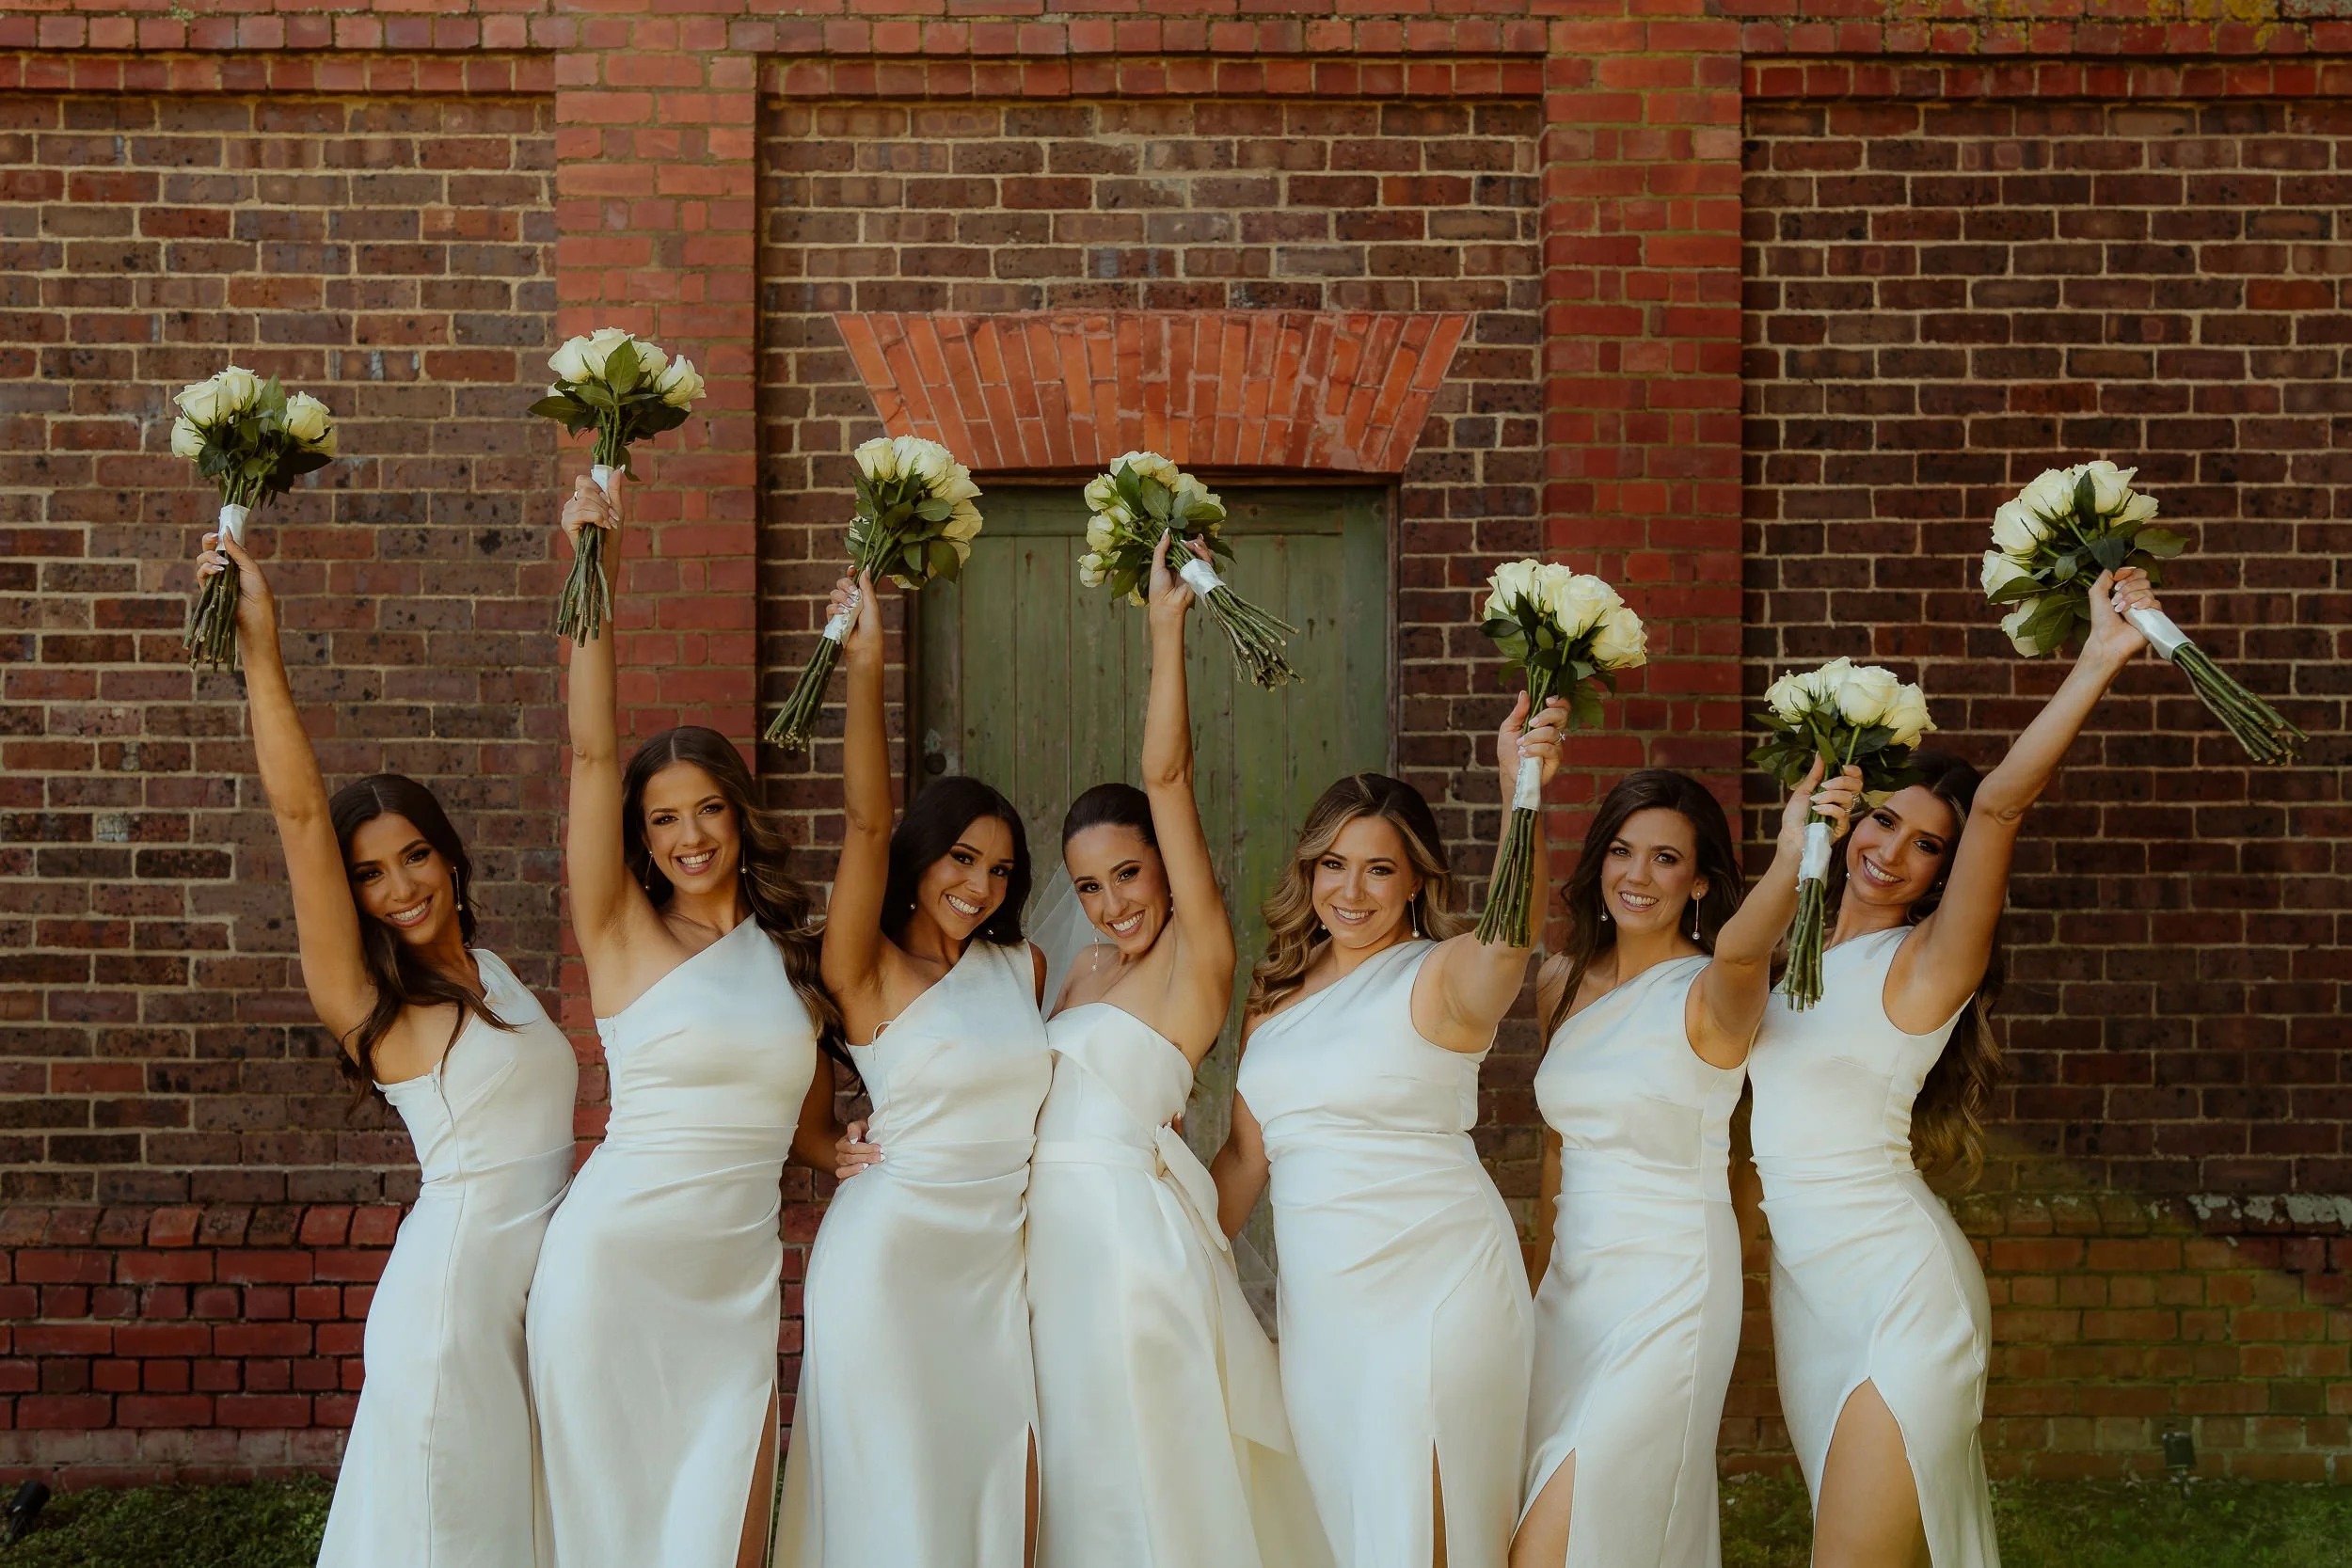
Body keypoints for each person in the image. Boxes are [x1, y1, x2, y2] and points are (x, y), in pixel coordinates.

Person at [1748, 569, 2163, 1568]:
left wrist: (2098, 658)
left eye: (1926, 845)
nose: (1892, 851)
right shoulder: (1776, 953)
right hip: (1803, 1292)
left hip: (1898, 1288)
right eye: (1883, 819)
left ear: (1942, 873)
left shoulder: (1927, 965)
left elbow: (2002, 809)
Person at [197, 531, 576, 1568]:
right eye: (371, 874)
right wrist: (259, 646)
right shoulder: (367, 998)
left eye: (416, 855)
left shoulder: (494, 969)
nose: (400, 884)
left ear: (451, 857)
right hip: (451, 1312)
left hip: (529, 1309)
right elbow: (297, 814)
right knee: (441, 1536)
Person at [526, 473, 834, 1568]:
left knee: (726, 1530)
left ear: (740, 814)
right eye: (663, 819)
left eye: (708, 807)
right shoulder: (619, 931)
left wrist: (834, 1146)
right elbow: (594, 751)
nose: (690, 834)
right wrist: (594, 565)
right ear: (640, 837)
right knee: (609, 1532)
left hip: (733, 1277)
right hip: (615, 1263)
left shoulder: (795, 944)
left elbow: (799, 1093)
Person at [1021, 533, 1329, 1567]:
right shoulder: (1076, 976)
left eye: (1130, 873)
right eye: (1092, 886)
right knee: (1075, 1472)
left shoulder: (1196, 957)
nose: (1114, 904)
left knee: (1146, 1465)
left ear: (1167, 864)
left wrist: (1164, 629)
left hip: (1122, 1239)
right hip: (1042, 1244)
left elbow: (1167, 769)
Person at [1210, 690, 1568, 1568]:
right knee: (1346, 1530)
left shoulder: (1441, 974)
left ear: (1417, 878)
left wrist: (1522, 788)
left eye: (1379, 868)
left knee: (1426, 1526)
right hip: (1327, 1313)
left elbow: (1512, 938)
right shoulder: (1274, 1003)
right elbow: (1247, 1159)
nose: (1352, 890)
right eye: (1334, 864)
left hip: (1436, 1292)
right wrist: (1160, 1258)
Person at [775, 569, 1053, 1568]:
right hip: (890, 1266)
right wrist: (867, 669)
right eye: (962, 859)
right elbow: (861, 821)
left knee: (996, 1492)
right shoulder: (864, 967)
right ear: (923, 854)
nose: (980, 886)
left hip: (996, 1270)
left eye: (1002, 869)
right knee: (896, 1510)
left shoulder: (1021, 965)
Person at [1514, 763, 1858, 1568]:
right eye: (1623, 851)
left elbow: (1746, 952)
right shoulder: (1562, 982)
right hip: (1570, 1292)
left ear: (1700, 880)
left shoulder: (1715, 992)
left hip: (1669, 1288)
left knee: (1557, 1540)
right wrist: (1535, 1292)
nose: (1638, 875)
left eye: (1666, 858)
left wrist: (1792, 854)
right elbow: (1557, 1153)